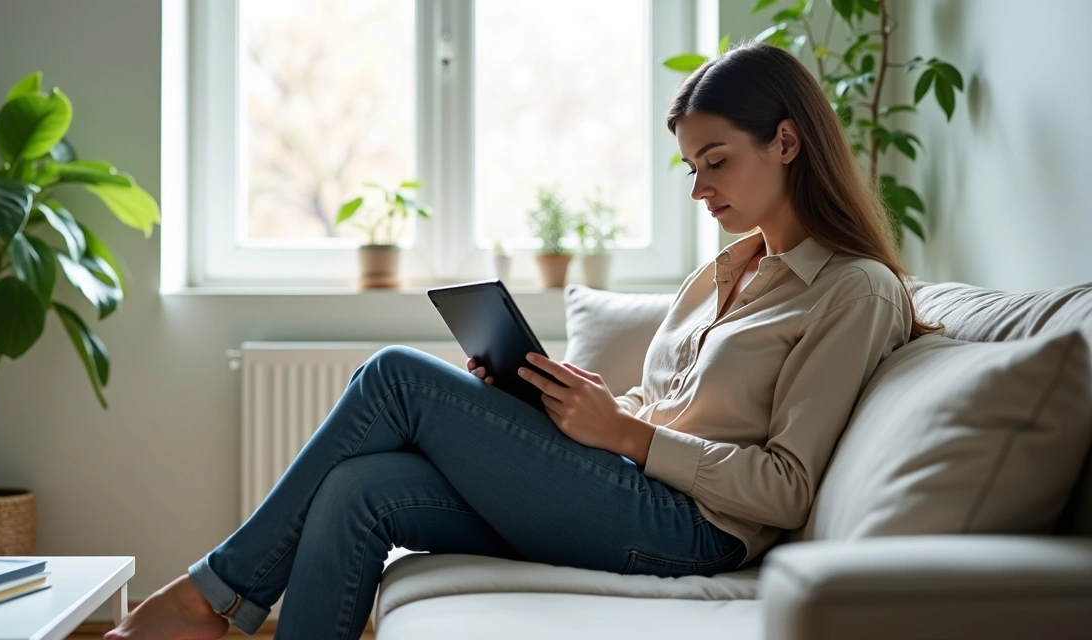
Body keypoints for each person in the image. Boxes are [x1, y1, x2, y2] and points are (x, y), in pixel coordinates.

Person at [106, 41, 941, 640]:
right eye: (690, 167)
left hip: (696, 530)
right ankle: (210, 601)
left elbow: (789, 488)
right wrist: (560, 400)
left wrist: (627, 433)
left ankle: (203, 599)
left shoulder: (852, 291)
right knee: (361, 487)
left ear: (787, 142)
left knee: (395, 376)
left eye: (715, 162)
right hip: (628, 481)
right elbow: (673, 407)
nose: (700, 188)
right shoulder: (723, 271)